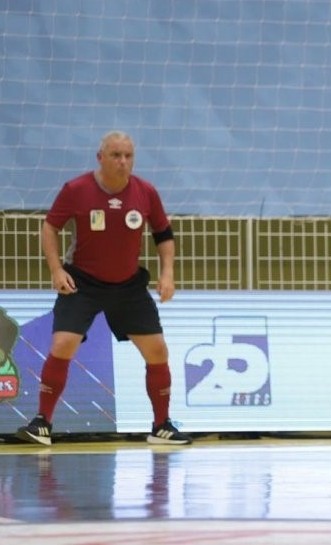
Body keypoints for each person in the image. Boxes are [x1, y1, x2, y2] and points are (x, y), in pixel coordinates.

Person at [16, 131, 191, 446]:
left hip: (128, 285)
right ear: (100, 157)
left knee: (157, 351)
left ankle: (162, 425)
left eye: (128, 156)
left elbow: (163, 234)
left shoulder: (146, 192)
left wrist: (168, 274)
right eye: (115, 155)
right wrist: (56, 270)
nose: (123, 162)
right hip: (83, 281)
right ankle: (42, 423)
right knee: (63, 344)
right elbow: (50, 227)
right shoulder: (76, 189)